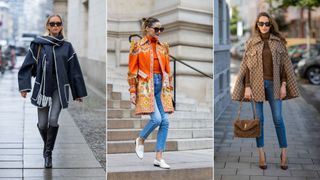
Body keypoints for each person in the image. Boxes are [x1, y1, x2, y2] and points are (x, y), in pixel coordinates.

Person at [18, 14, 87, 168]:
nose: (55, 26)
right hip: (42, 87)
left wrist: (78, 92)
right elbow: (27, 65)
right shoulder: (38, 44)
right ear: (47, 26)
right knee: (42, 125)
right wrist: (24, 87)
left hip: (59, 89)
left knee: (53, 120)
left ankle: (48, 153)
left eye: (58, 23)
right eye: (52, 23)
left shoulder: (67, 47)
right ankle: (47, 147)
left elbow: (74, 70)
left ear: (61, 26)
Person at [232, 12, 299, 170]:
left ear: (271, 25)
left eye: (267, 24)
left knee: (278, 118)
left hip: (274, 84)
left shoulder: (278, 43)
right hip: (255, 85)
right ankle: (261, 153)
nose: (264, 26)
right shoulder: (251, 43)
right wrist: (247, 87)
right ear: (257, 25)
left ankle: (284, 152)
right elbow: (247, 68)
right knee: (259, 120)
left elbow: (284, 67)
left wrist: (284, 84)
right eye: (261, 23)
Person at [128, 17, 174, 169]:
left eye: (161, 29)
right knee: (157, 120)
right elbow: (132, 71)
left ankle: (159, 158)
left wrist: (169, 88)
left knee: (165, 121)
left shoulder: (164, 47)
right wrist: (133, 91)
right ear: (147, 28)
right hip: (146, 86)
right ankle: (140, 139)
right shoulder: (137, 46)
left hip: (161, 86)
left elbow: (167, 69)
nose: (159, 32)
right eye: (156, 29)